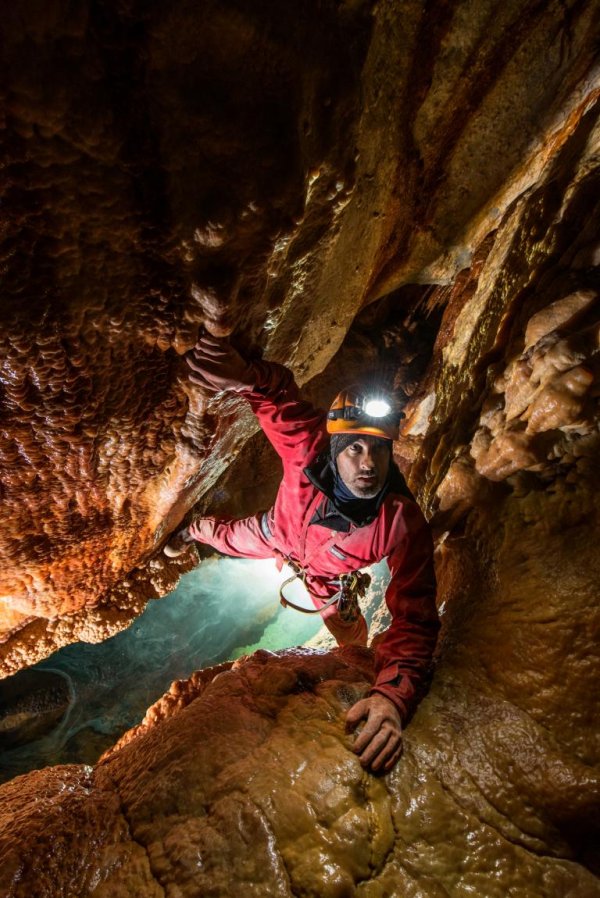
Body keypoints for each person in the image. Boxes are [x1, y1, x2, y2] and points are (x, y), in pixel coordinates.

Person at [165, 334, 439, 773]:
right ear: (335, 449)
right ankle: (190, 532)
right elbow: (276, 396)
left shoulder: (401, 522)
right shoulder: (309, 448)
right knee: (224, 536)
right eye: (354, 447)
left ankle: (358, 657)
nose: (368, 462)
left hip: (327, 579)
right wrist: (244, 376)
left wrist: (392, 695)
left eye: (379, 449)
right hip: (276, 533)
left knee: (350, 636)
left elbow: (414, 618)